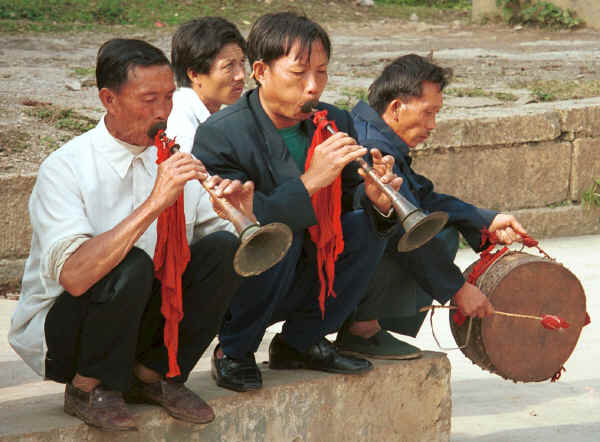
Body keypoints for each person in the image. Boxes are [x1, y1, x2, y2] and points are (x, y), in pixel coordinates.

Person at [8, 39, 256, 431]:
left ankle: (152, 375)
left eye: (169, 98)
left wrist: (242, 215)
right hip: (68, 335)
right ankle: (89, 387)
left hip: (137, 323)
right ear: (109, 99)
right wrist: (155, 203)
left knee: (224, 250)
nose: (163, 112)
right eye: (148, 99)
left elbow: (209, 254)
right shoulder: (66, 168)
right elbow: (74, 276)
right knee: (132, 262)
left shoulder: (175, 158)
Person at [192, 12, 403, 393]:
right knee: (277, 232)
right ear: (260, 70)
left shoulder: (335, 119)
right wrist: (311, 180)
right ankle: (235, 350)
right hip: (242, 280)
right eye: (299, 73)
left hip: (306, 271)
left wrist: (374, 200)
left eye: (321, 73)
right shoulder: (221, 135)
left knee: (367, 226)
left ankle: (301, 341)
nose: (313, 87)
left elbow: (344, 205)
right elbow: (243, 222)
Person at [334, 54, 527, 360]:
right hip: (332, 267)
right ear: (396, 107)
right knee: (431, 237)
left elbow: (424, 198)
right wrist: (458, 289)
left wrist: (486, 220)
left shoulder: (374, 134)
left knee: (441, 225)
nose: (432, 125)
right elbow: (404, 228)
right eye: (428, 113)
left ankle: (364, 322)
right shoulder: (373, 148)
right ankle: (362, 328)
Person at [167, 17, 246, 152]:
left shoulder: (218, 115)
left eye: (242, 62)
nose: (241, 75)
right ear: (194, 74)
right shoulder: (181, 127)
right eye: (228, 66)